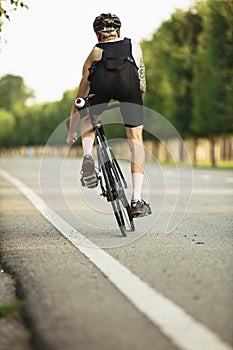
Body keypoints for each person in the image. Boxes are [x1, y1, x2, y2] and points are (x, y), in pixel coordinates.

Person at [66, 13, 151, 217]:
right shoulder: (134, 46)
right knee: (135, 139)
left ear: (97, 35)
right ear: (119, 31)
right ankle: (136, 200)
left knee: (89, 119)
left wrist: (71, 132)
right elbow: (142, 85)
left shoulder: (95, 52)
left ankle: (88, 157)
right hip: (128, 86)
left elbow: (80, 96)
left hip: (101, 85)